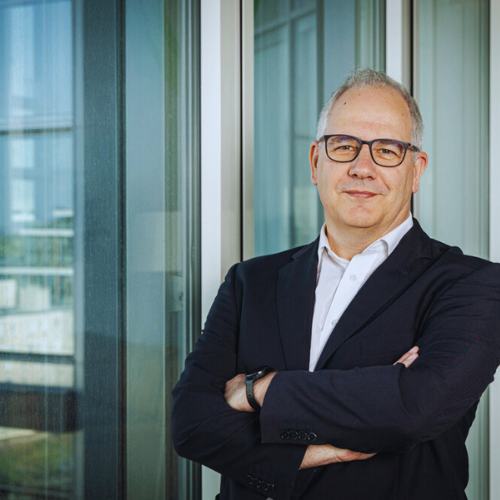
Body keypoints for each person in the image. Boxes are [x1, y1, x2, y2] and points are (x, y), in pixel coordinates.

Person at [172, 68, 500, 500]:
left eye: (387, 150)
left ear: (416, 170)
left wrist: (257, 390)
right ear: (315, 162)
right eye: (344, 146)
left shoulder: (473, 284)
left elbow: (416, 408)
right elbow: (191, 424)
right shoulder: (250, 281)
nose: (362, 168)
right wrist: (311, 451)